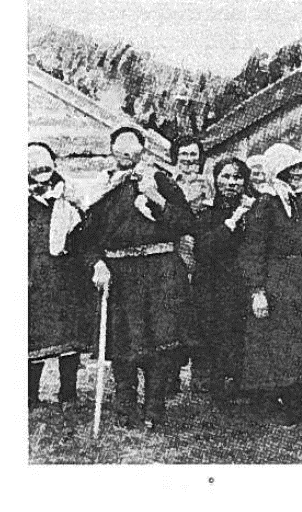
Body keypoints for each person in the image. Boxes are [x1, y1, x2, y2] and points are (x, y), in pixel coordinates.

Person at [79, 126, 195, 430]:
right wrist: (97, 264)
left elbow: (186, 223)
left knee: (161, 340)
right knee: (123, 343)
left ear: (143, 151)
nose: (127, 154)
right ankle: (125, 406)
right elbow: (86, 238)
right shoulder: (103, 189)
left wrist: (155, 197)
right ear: (113, 152)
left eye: (133, 149)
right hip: (120, 273)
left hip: (161, 271)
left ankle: (154, 407)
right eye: (121, 149)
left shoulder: (161, 181)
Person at [238, 144, 302, 425]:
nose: (298, 175)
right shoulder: (266, 204)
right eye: (291, 171)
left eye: (300, 170)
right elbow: (253, 250)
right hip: (278, 281)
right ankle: (287, 405)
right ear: (278, 172)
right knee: (284, 344)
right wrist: (258, 291)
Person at [192, 158, 255, 404]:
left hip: (242, 281)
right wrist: (235, 219)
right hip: (213, 283)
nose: (231, 183)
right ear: (216, 180)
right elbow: (205, 247)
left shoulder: (255, 208)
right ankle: (215, 389)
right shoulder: (207, 211)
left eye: (237, 177)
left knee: (242, 334)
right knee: (215, 334)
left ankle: (242, 386)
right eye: (226, 177)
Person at [28, 143, 87, 407]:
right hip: (33, 276)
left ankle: (68, 393)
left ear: (55, 163)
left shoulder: (70, 195)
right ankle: (29, 395)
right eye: (32, 162)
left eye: (45, 161)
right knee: (32, 336)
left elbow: (86, 231)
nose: (40, 168)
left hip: (67, 275)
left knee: (69, 336)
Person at [170, 136, 212, 393]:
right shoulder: (167, 182)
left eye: (193, 155)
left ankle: (201, 375)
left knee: (202, 312)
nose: (188, 159)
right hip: (175, 251)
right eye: (184, 154)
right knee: (174, 315)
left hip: (203, 251)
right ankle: (171, 375)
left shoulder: (208, 184)